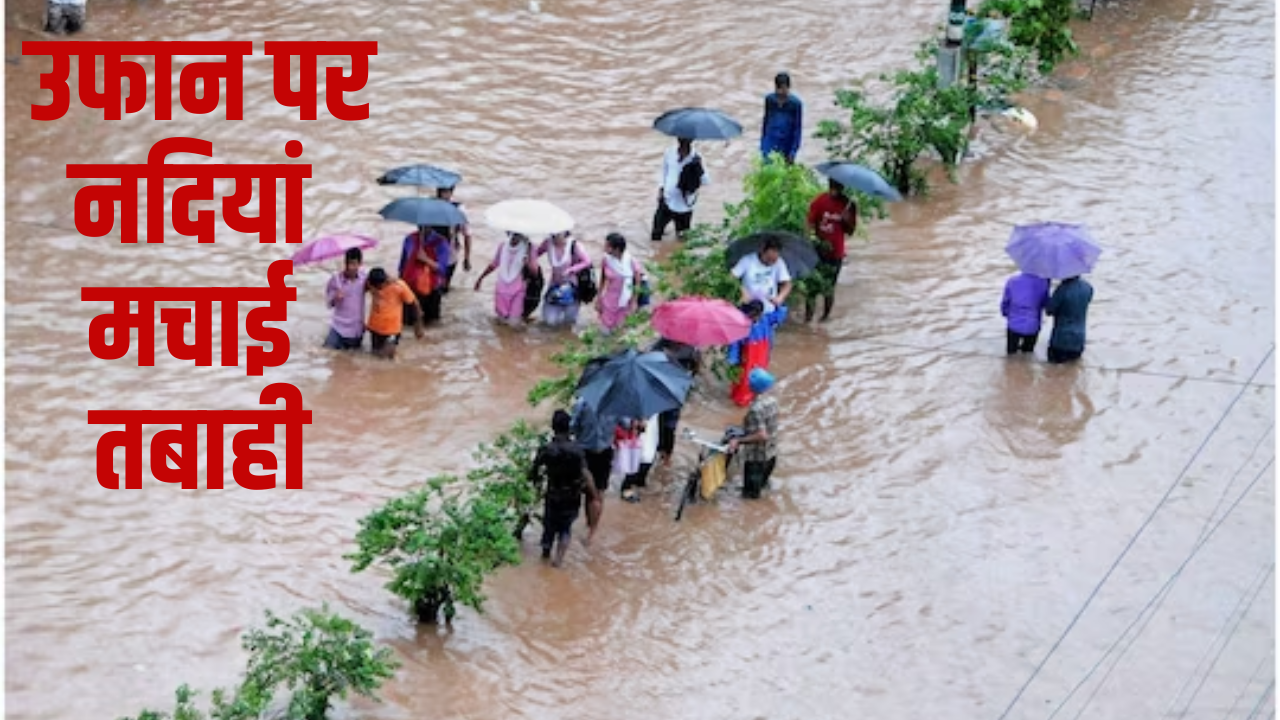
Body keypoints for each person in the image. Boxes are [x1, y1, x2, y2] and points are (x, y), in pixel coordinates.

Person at [530, 410, 601, 567]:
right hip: (572, 495)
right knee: (565, 529)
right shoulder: (577, 450)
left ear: (553, 427)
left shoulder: (546, 449)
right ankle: (558, 561)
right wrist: (594, 494)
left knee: (549, 526)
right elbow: (586, 474)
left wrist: (534, 485)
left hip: (553, 493)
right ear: (569, 427)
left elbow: (534, 471)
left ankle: (545, 556)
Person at [805, 179, 857, 322]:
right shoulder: (820, 201)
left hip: (836, 253)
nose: (834, 190)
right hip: (817, 250)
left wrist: (846, 220)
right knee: (811, 288)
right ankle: (808, 318)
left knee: (829, 288)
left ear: (842, 187)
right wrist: (811, 239)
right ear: (829, 186)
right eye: (832, 187)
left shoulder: (849, 205)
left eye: (837, 188)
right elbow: (809, 222)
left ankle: (825, 318)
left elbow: (851, 231)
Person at [728, 369, 780, 499]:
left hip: (757, 459)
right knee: (762, 489)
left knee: (749, 499)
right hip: (771, 455)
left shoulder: (755, 409)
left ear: (751, 387)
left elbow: (762, 435)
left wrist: (738, 441)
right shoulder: (773, 401)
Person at [474, 232, 539, 326]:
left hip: (518, 289)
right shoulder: (503, 246)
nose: (515, 237)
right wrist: (480, 278)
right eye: (513, 234)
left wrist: (527, 262)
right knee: (501, 321)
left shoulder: (529, 248)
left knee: (514, 323)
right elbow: (494, 264)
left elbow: (535, 272)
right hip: (501, 289)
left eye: (518, 234)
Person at [651, 137, 709, 242]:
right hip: (666, 200)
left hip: (684, 206)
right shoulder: (669, 153)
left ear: (691, 141)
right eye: (681, 139)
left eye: (686, 139)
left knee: (682, 238)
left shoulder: (696, 158)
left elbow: (705, 181)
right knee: (656, 233)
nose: (682, 141)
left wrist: (699, 167)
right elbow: (664, 172)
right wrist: (661, 189)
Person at [535, 231, 592, 327]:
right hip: (554, 284)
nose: (554, 237)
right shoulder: (548, 243)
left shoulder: (574, 245)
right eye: (552, 234)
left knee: (569, 322)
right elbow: (536, 253)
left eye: (557, 234)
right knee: (549, 321)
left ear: (565, 233)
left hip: (572, 286)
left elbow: (587, 261)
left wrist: (572, 269)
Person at [364, 267, 423, 360]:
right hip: (375, 328)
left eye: (379, 286)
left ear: (384, 281)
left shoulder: (399, 286)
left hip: (392, 330)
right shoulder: (370, 283)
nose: (377, 289)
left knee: (387, 358)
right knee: (375, 357)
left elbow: (414, 304)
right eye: (375, 287)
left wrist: (418, 326)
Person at [398, 226, 450, 326]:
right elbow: (403, 265)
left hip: (432, 289)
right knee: (408, 324)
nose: (423, 226)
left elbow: (442, 269)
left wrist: (425, 259)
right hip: (410, 288)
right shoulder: (409, 239)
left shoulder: (441, 243)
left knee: (431, 324)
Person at [596, 232, 644, 332]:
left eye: (607, 246)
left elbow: (638, 284)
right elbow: (602, 280)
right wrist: (598, 299)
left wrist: (634, 302)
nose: (604, 248)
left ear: (616, 249)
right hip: (609, 301)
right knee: (604, 331)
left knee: (621, 331)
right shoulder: (606, 260)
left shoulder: (631, 262)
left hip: (626, 303)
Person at [731, 236, 793, 313]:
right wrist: (742, 291)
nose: (771, 263)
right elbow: (731, 277)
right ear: (762, 251)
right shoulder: (747, 260)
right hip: (748, 306)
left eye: (774, 260)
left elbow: (788, 284)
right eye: (768, 258)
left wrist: (780, 297)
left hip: (769, 307)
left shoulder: (779, 262)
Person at [323, 247, 368, 350]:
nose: (352, 267)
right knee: (327, 353)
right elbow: (328, 304)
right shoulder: (335, 280)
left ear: (360, 263)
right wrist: (335, 297)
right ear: (345, 263)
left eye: (355, 264)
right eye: (350, 264)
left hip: (356, 330)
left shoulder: (364, 279)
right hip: (338, 329)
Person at [570, 396, 616, 496]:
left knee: (586, 489)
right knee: (600, 490)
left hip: (584, 452)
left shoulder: (581, 403)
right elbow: (626, 424)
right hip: (605, 451)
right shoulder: (615, 403)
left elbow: (572, 428)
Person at [1046, 276, 1094, 364]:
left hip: (1061, 339)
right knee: (1072, 372)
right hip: (1079, 340)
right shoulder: (1088, 287)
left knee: (1052, 372)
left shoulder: (1062, 290)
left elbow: (1049, 311)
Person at [1001, 271, 1051, 355]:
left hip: (1014, 324)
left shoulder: (1012, 281)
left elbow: (1005, 303)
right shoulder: (1043, 283)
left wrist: (1007, 315)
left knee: (1011, 356)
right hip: (1033, 325)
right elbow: (1046, 305)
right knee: (1028, 354)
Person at [435, 186, 472, 294]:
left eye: (447, 192)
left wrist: (467, 258)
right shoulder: (430, 207)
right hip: (431, 254)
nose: (444, 195)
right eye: (442, 192)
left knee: (444, 286)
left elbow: (467, 234)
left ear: (451, 193)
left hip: (450, 254)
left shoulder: (458, 209)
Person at [761, 72, 803, 163]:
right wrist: (763, 143)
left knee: (784, 170)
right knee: (767, 166)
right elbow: (766, 120)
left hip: (787, 143)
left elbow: (797, 128)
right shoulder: (770, 100)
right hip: (770, 140)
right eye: (779, 90)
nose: (781, 94)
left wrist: (793, 151)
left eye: (784, 91)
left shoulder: (795, 104)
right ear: (775, 88)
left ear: (788, 88)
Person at [620, 415, 660, 503]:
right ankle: (626, 488)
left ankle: (639, 481)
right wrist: (636, 422)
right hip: (638, 428)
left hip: (651, 426)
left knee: (648, 455)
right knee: (637, 457)